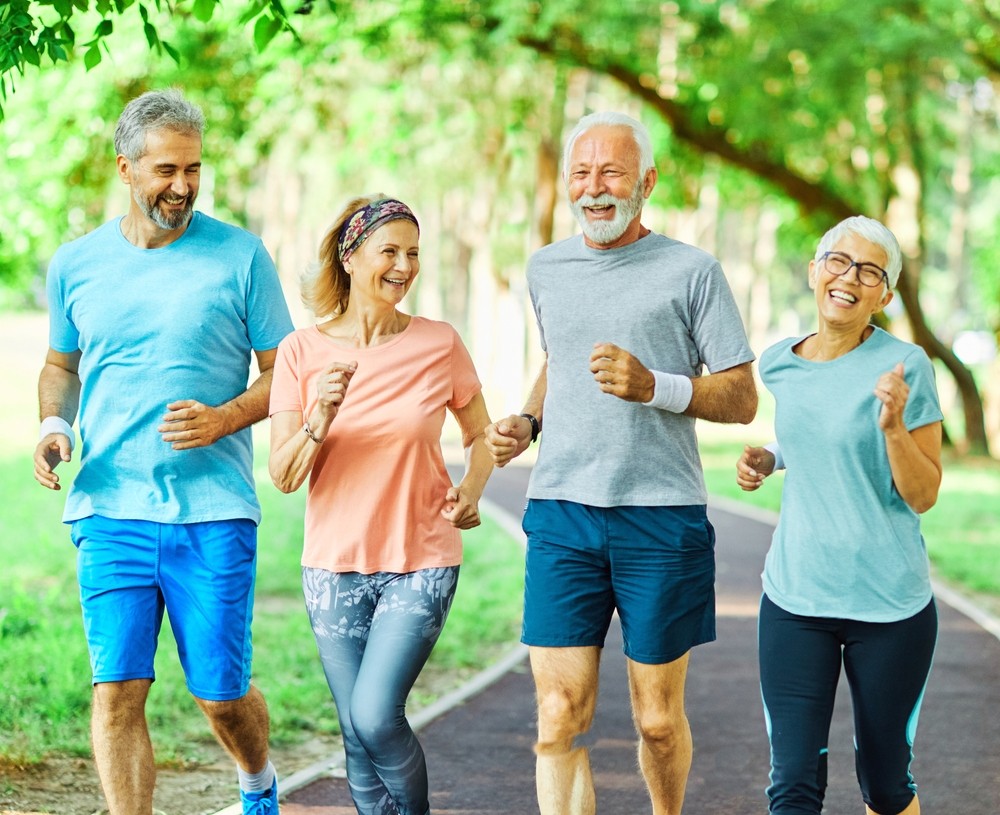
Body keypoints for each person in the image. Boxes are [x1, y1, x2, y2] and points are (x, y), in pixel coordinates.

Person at [484, 111, 758, 815]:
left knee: (657, 720)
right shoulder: (546, 267)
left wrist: (655, 386)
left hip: (661, 518)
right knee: (556, 709)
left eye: (611, 172)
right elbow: (557, 364)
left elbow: (742, 395)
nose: (594, 187)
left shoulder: (692, 271)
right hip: (563, 512)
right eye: (582, 172)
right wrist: (530, 418)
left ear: (647, 181)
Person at [32, 89, 293, 815]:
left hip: (213, 510)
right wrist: (54, 424)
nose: (182, 185)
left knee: (220, 693)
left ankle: (256, 779)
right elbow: (61, 365)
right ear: (126, 167)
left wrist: (224, 418)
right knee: (117, 689)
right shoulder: (75, 264)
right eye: (166, 170)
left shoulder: (240, 256)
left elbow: (285, 374)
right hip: (108, 507)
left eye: (195, 169)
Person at [268, 194, 494, 815]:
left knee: (375, 715)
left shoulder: (438, 343)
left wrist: (471, 490)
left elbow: (481, 436)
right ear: (350, 255)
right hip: (333, 565)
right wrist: (321, 413)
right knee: (352, 731)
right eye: (389, 251)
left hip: (419, 558)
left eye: (413, 253)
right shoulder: (300, 353)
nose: (404, 265)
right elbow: (284, 475)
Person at [736, 216, 943, 815]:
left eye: (870, 270)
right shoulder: (778, 363)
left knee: (885, 786)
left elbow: (924, 493)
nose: (849, 277)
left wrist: (894, 430)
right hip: (796, 599)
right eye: (838, 261)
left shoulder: (907, 368)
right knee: (793, 787)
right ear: (814, 270)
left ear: (885, 294)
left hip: (890, 607)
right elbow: (813, 437)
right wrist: (768, 459)